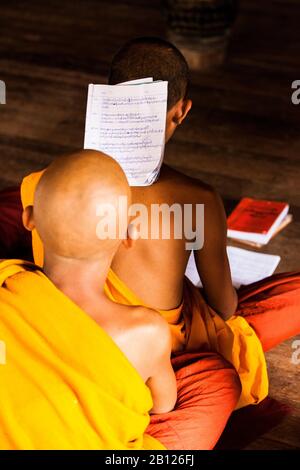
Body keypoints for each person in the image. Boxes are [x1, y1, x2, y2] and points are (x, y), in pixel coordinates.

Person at [19, 38, 300, 411]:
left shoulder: (42, 184)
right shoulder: (198, 200)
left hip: (63, 326)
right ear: (181, 111)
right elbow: (225, 306)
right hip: (150, 352)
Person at [0, 149, 241, 450]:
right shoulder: (147, 331)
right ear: (129, 233)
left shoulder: (6, 285)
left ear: (29, 218)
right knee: (218, 380)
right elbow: (163, 406)